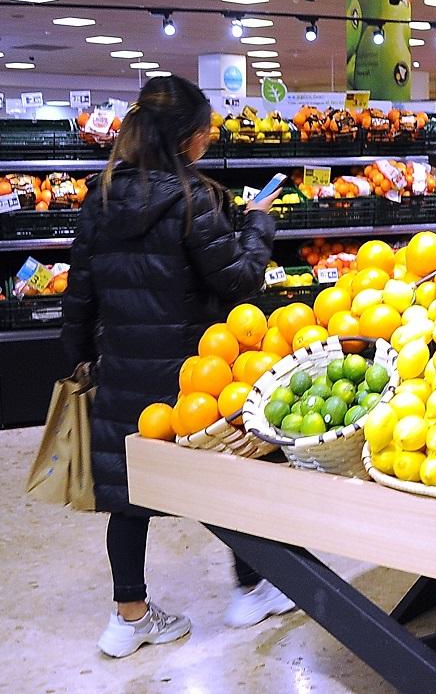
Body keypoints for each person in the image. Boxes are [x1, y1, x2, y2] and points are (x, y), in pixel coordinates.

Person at [61, 76, 291, 658]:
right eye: (205, 131)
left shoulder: (101, 196)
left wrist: (79, 364)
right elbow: (239, 279)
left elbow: (78, 296)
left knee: (129, 495)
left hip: (122, 372)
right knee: (228, 482)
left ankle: (128, 618)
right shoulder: (192, 200)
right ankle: (250, 591)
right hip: (195, 375)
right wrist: (260, 224)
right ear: (188, 138)